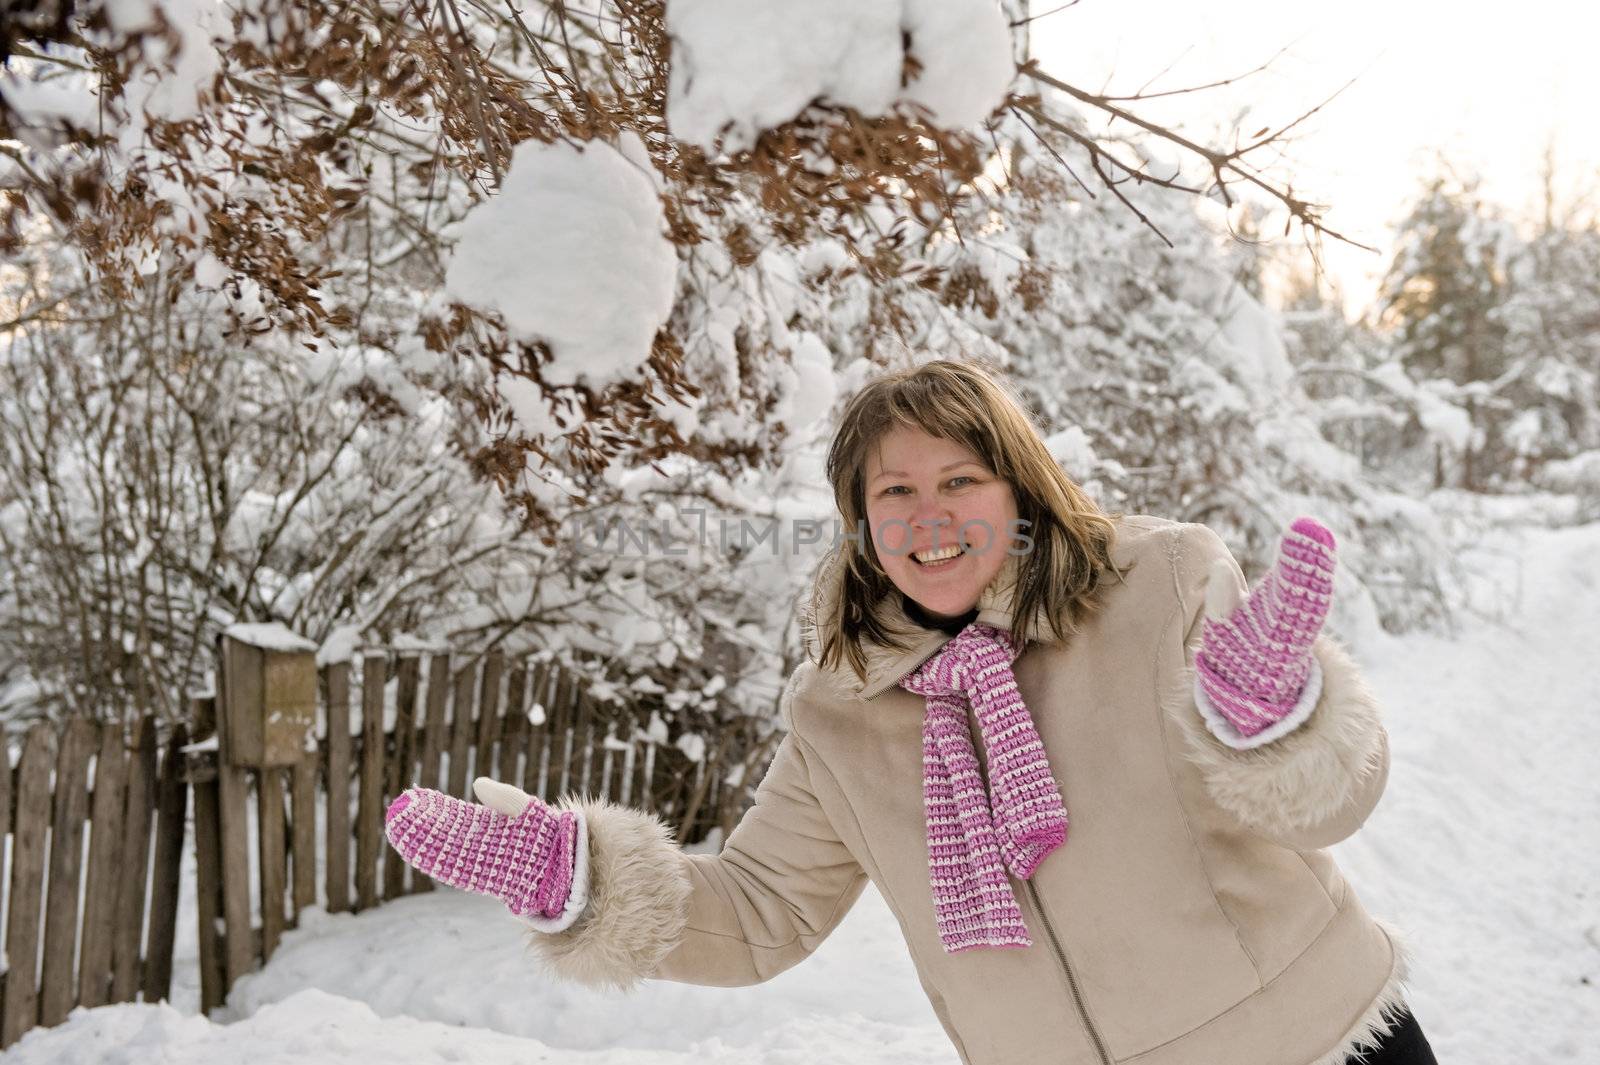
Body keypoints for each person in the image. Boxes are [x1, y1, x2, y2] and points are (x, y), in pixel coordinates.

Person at [384, 360, 1438, 1064]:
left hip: (1315, 1044)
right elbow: (760, 913)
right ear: (860, 521)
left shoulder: (1154, 585)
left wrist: (1275, 724)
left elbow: (1331, 812)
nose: (928, 517)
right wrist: (583, 879)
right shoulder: (843, 711)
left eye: (961, 479)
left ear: (1020, 490)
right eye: (893, 493)